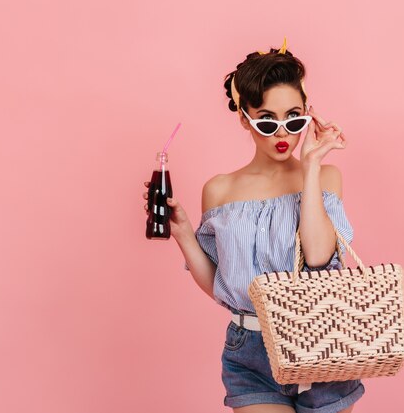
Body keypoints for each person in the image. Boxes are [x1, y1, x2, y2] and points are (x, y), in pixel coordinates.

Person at [142, 37, 364, 413]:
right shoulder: (220, 190)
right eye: (267, 121)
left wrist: (310, 166)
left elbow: (318, 254)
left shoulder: (325, 177)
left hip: (322, 341)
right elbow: (218, 284)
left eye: (294, 118)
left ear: (308, 114)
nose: (283, 134)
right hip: (251, 348)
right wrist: (181, 232)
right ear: (244, 117)